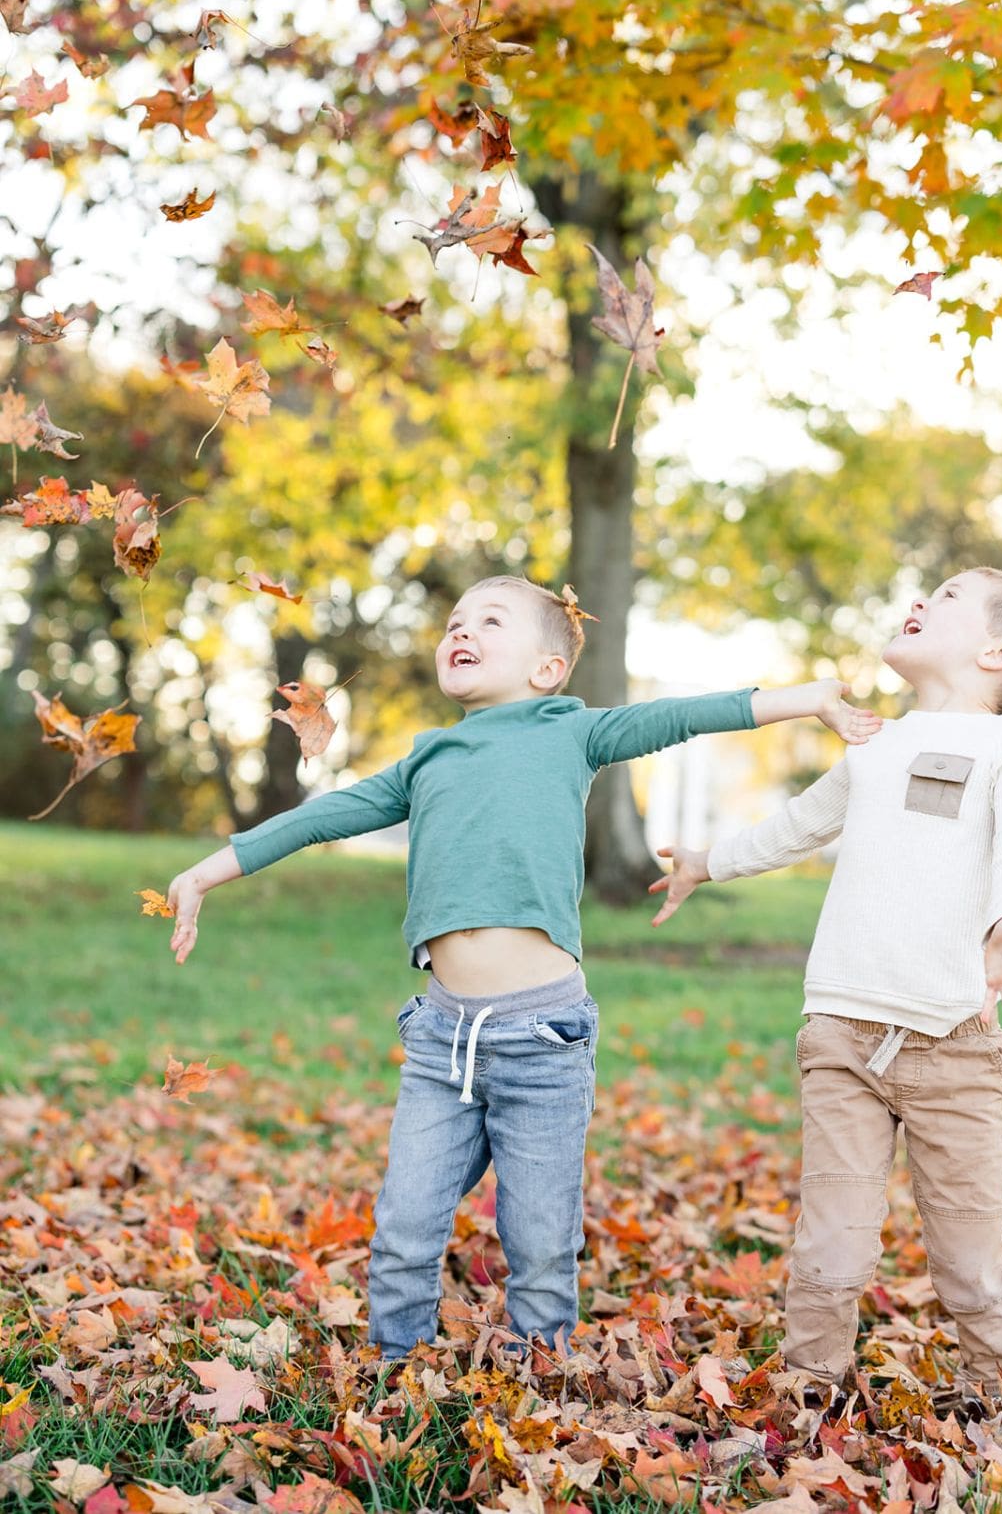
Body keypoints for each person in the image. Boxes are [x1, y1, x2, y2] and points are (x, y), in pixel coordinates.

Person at [158, 575, 877, 1360]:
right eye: (455, 621)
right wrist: (203, 873)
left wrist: (809, 696)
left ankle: (544, 1383)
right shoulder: (426, 755)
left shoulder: (570, 731)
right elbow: (321, 816)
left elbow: (682, 715)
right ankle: (395, 1367)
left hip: (542, 1037)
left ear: (547, 669)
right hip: (441, 1040)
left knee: (538, 1240)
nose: (460, 630)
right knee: (404, 1224)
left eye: (490, 621)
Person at [650, 567, 1002, 1417]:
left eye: (947, 596)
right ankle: (808, 1390)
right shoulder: (875, 741)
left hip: (954, 1043)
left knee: (967, 1254)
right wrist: (707, 861)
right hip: (841, 1030)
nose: (919, 599)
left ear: (996, 652)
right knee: (831, 1241)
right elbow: (798, 824)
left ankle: (997, 1389)